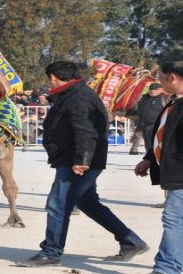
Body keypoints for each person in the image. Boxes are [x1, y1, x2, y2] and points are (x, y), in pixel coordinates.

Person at [16, 61, 148, 268]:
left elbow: (85, 131)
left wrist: (82, 161)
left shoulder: (78, 97)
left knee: (58, 204)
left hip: (77, 161)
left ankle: (51, 252)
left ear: (52, 77)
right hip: (78, 158)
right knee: (88, 203)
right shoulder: (74, 94)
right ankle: (131, 241)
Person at [134, 61, 183, 274]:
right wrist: (149, 158)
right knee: (177, 220)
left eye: (161, 78)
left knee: (173, 219)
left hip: (181, 173)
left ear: (172, 77)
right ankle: (173, 265)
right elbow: (164, 135)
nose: (159, 83)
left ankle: (165, 269)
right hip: (174, 171)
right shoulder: (173, 102)